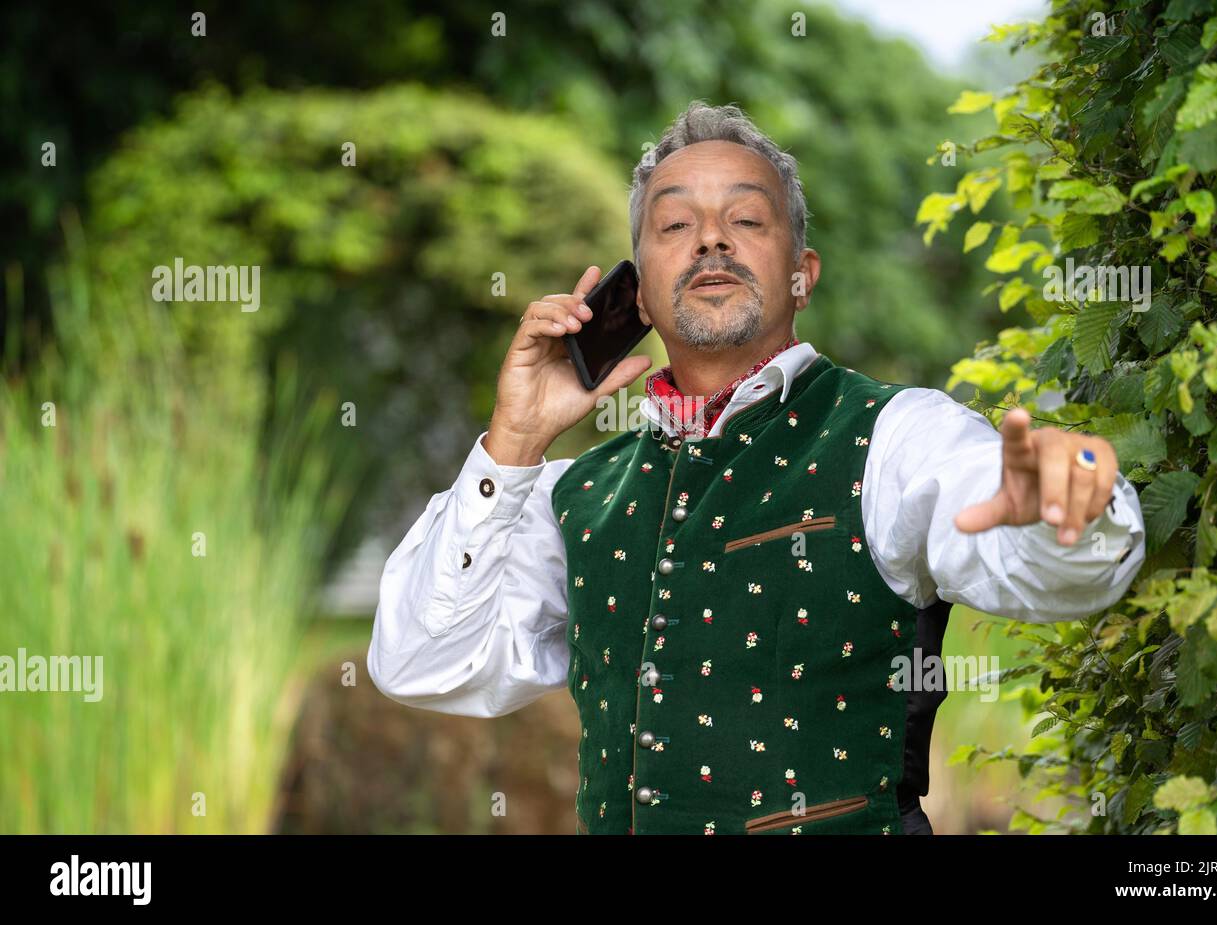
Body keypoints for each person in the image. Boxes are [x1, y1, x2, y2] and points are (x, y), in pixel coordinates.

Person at [367, 101, 1146, 835]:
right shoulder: (576, 493)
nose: (711, 239)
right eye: (675, 223)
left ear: (803, 272)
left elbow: (1057, 567)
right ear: (633, 291)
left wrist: (1063, 504)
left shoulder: (899, 437)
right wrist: (512, 441)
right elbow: (421, 661)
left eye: (745, 218)